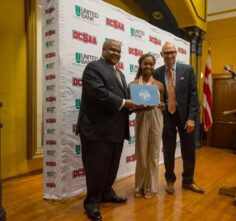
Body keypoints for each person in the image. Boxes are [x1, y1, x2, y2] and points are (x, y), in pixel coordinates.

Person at [76, 39, 138, 221]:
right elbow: (99, 93)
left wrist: (137, 106)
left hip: (116, 131)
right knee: (96, 169)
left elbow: (124, 100)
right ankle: (92, 202)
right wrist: (125, 102)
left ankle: (106, 192)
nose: (116, 54)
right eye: (112, 50)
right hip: (97, 131)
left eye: (119, 51)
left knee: (111, 168)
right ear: (103, 50)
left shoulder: (120, 73)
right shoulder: (93, 68)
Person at [153, 43, 205, 195]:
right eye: (166, 53)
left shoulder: (187, 70)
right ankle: (170, 180)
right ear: (161, 55)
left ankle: (188, 181)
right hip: (166, 116)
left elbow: (194, 96)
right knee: (168, 150)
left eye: (172, 52)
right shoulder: (156, 73)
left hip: (185, 118)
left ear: (176, 53)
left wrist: (191, 118)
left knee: (189, 150)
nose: (169, 55)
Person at [130, 53, 165, 199]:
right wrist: (140, 107)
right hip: (142, 117)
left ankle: (151, 187)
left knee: (154, 154)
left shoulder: (159, 85)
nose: (148, 66)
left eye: (151, 64)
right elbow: (131, 107)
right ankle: (139, 186)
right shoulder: (134, 84)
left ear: (153, 66)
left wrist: (163, 105)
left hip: (156, 117)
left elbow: (162, 104)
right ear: (141, 65)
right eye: (146, 64)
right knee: (141, 154)